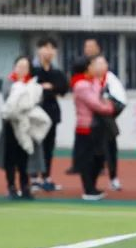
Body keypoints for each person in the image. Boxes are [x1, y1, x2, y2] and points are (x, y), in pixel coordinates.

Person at [1, 56, 48, 200]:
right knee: (10, 157)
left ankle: (25, 186)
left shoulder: (32, 84)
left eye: (25, 67)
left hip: (26, 126)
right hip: (10, 125)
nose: (21, 69)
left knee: (25, 157)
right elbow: (7, 102)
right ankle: (11, 186)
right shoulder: (8, 82)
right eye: (19, 66)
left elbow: (36, 101)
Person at [71, 55, 115, 201]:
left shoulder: (93, 81)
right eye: (92, 65)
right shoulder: (81, 85)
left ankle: (93, 188)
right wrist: (109, 107)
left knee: (98, 157)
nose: (95, 67)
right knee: (88, 159)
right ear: (86, 68)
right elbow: (95, 103)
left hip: (97, 126)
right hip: (86, 127)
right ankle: (88, 189)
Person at [31, 36, 68, 193]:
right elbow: (32, 87)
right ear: (38, 50)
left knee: (49, 146)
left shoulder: (56, 71)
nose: (49, 51)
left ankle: (46, 177)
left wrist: (51, 87)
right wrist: (46, 87)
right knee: (34, 145)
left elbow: (63, 87)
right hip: (34, 114)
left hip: (51, 114)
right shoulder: (33, 69)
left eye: (52, 48)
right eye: (45, 47)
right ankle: (33, 178)